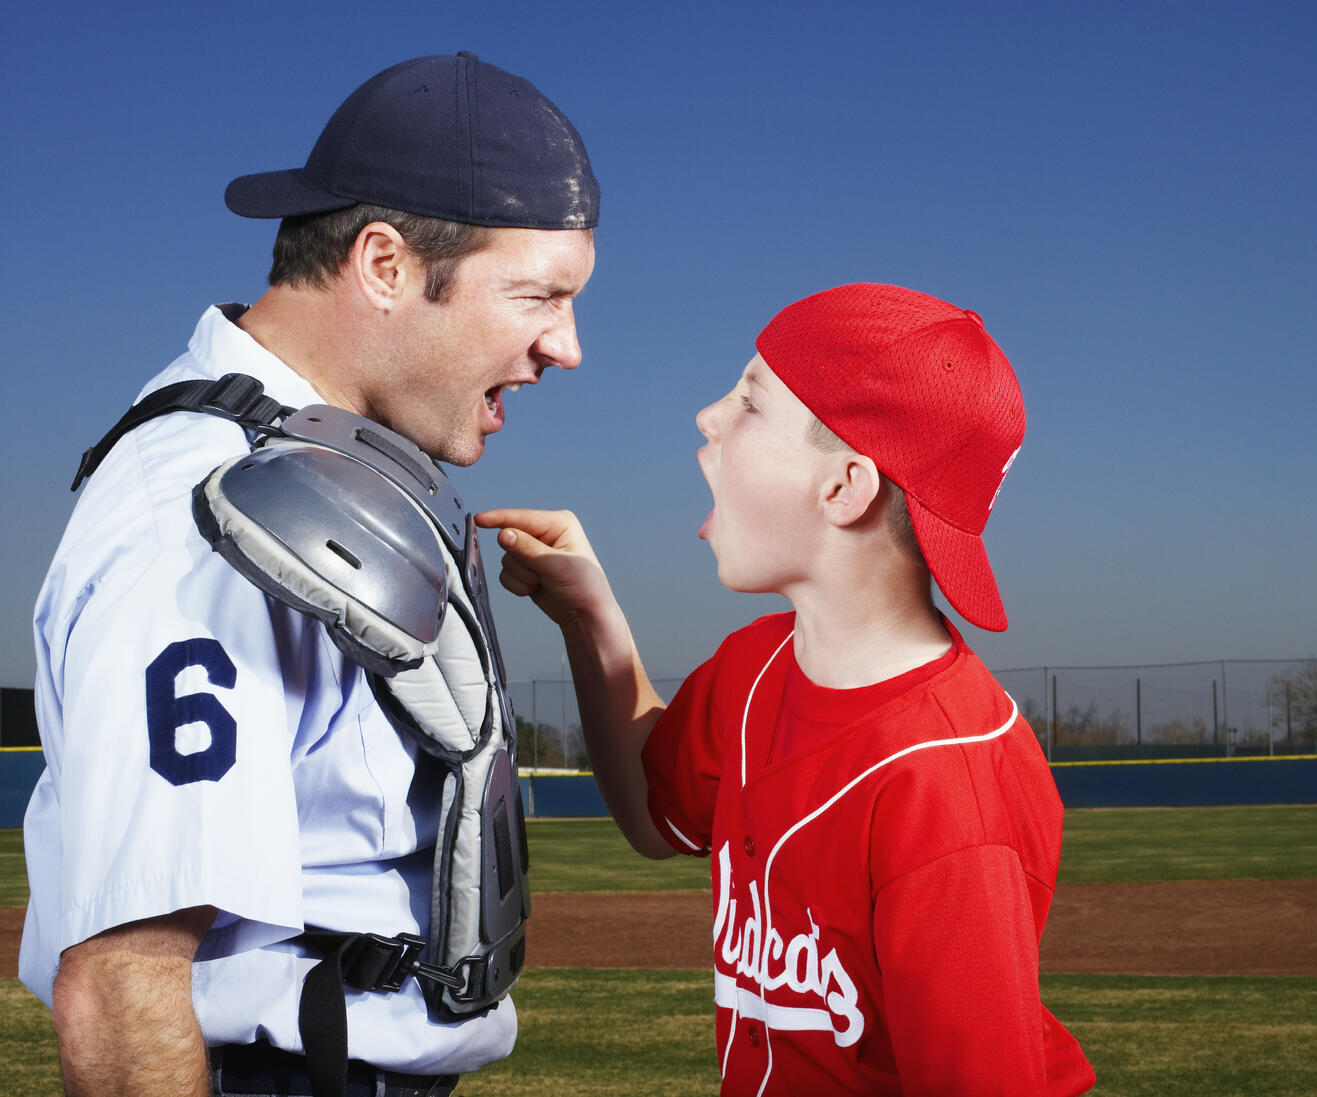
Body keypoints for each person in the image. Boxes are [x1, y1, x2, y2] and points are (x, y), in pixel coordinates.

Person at [21, 53, 598, 1097]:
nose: (565, 345)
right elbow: (121, 979)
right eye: (538, 296)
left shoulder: (323, 463)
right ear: (383, 264)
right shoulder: (202, 514)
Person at [482, 283, 1097, 1095]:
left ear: (844, 487)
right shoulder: (756, 665)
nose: (709, 416)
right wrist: (591, 618)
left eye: (751, 403)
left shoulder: (949, 791)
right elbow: (651, 808)